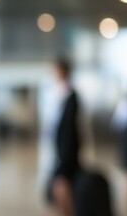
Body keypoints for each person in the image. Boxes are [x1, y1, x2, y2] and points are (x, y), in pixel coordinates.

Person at [45, 58, 83, 210]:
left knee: (63, 181)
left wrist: (66, 151)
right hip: (60, 146)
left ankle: (66, 209)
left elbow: (70, 127)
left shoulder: (70, 95)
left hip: (67, 147)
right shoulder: (58, 92)